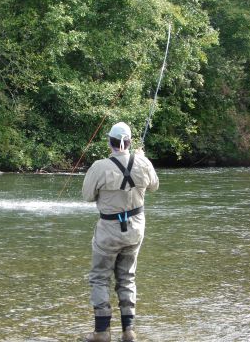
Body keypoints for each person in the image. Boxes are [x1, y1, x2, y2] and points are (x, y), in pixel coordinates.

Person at [82, 122, 159, 342]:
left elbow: (87, 196)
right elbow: (154, 186)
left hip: (108, 231)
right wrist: (142, 158)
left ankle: (102, 332)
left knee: (99, 277)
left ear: (109, 142)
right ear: (130, 142)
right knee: (127, 277)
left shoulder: (99, 166)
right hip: (135, 230)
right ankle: (128, 331)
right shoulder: (143, 163)